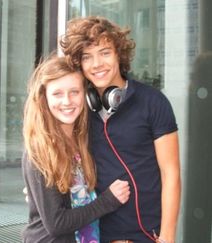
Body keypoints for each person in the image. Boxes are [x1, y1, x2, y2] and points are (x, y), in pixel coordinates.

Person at [60, 16, 181, 243]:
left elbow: (171, 173)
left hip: (147, 234)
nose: (97, 64)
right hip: (94, 232)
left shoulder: (153, 102)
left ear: (119, 54)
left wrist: (168, 236)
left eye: (105, 52)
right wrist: (41, 193)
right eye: (87, 57)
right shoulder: (78, 109)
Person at [22, 54, 130, 243]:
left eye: (74, 92)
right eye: (57, 94)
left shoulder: (81, 140)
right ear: (44, 98)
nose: (67, 101)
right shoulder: (40, 150)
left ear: (86, 96)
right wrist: (108, 201)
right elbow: (57, 223)